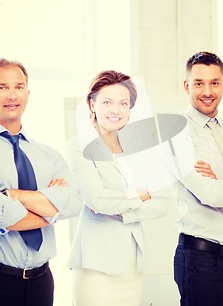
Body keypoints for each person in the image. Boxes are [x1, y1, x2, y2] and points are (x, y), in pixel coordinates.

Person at [0, 58, 82, 306]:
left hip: (41, 282)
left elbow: (75, 202)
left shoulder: (48, 154)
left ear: (28, 94)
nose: (12, 94)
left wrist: (13, 195)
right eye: (1, 87)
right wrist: (50, 208)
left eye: (19, 87)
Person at [162, 51, 223, 306]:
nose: (207, 91)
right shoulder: (177, 132)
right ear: (187, 86)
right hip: (199, 260)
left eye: (214, 83)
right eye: (199, 83)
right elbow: (209, 194)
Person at [65, 70, 168, 306]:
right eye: (107, 102)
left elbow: (162, 202)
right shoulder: (78, 146)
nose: (116, 110)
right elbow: (97, 200)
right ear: (92, 104)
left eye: (123, 103)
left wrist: (122, 210)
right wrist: (139, 195)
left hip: (133, 264)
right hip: (96, 264)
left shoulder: (139, 150)